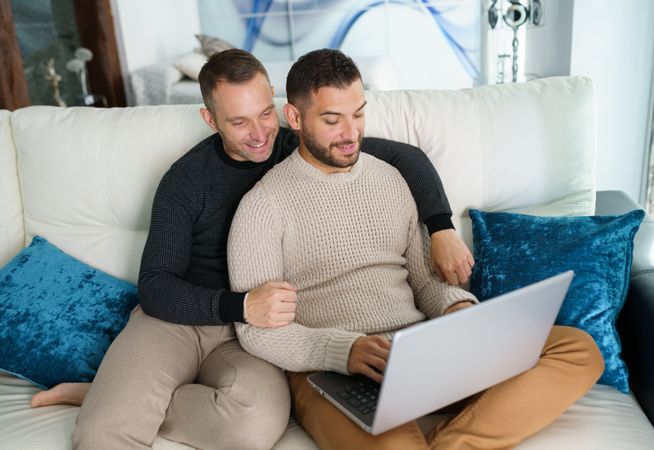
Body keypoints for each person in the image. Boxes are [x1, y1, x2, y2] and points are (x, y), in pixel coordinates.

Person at [30, 49, 474, 450]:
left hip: (255, 333)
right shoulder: (184, 181)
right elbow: (155, 287)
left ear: (283, 110)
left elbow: (406, 158)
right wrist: (241, 304)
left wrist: (440, 228)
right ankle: (117, 400)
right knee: (100, 434)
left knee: (253, 425)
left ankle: (125, 397)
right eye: (239, 122)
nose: (260, 134)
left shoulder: (297, 143)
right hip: (183, 317)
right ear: (210, 119)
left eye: (265, 114)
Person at [228, 48, 605, 450]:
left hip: (420, 349)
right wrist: (342, 350)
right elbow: (256, 331)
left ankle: (454, 444)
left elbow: (425, 281)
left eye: (358, 113)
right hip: (332, 369)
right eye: (333, 120)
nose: (351, 132)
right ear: (296, 119)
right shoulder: (262, 207)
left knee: (578, 349)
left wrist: (458, 310)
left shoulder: (391, 179)